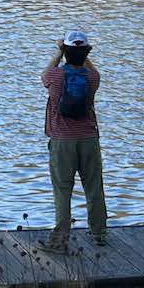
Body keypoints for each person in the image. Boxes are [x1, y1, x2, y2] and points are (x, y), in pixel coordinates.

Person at [41, 29, 106, 251]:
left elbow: (45, 73)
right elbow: (94, 71)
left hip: (62, 141)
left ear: (66, 52)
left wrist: (60, 51)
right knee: (94, 188)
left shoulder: (56, 76)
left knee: (62, 190)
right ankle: (99, 234)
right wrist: (82, 53)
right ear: (86, 52)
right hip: (89, 139)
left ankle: (59, 240)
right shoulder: (92, 77)